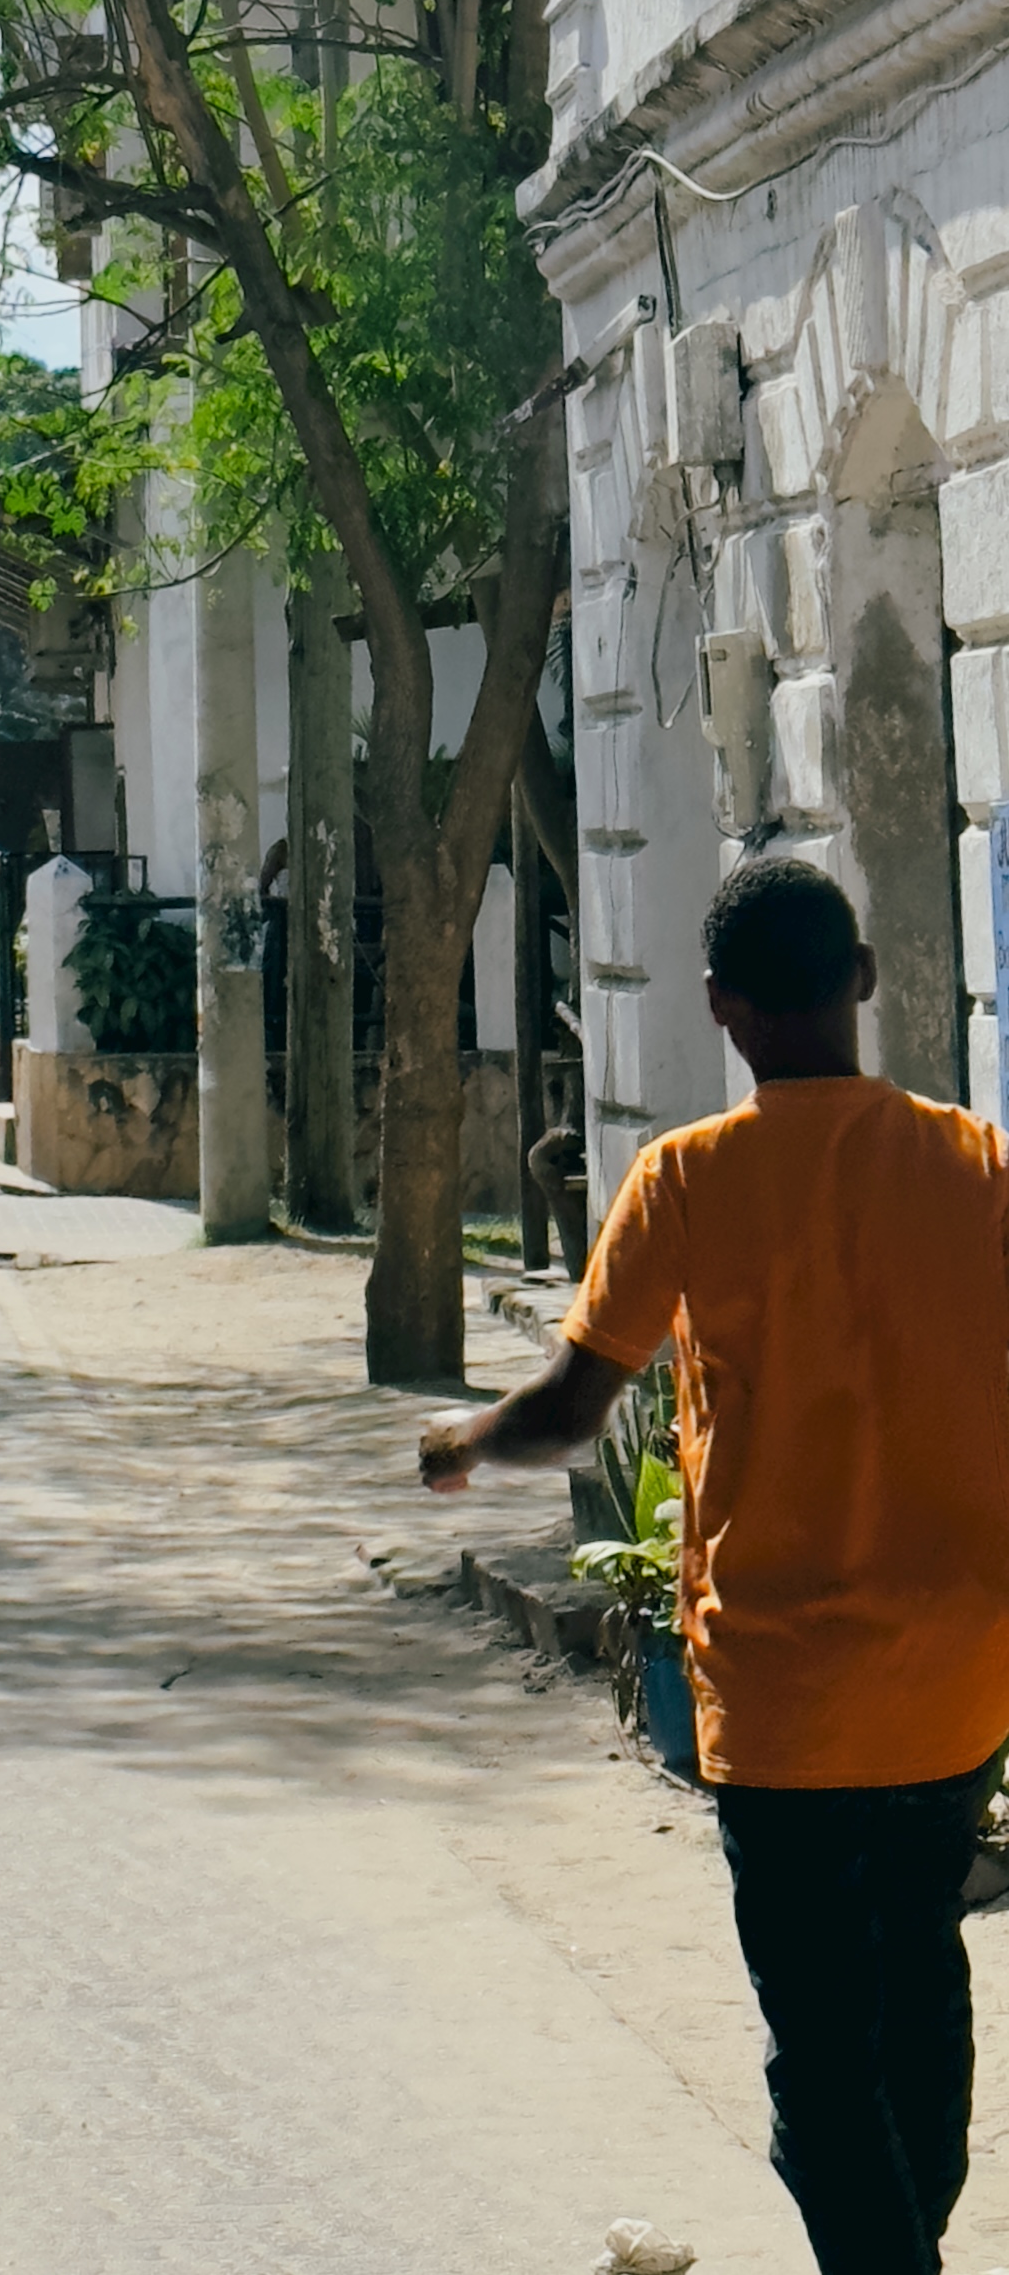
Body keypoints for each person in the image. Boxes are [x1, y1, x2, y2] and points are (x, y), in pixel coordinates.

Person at [417, 854, 1009, 2275]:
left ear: (718, 1008)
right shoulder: (977, 1165)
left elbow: (571, 1410)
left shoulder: (681, 1179)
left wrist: (459, 1437)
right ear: (860, 978)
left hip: (784, 1692)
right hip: (956, 1677)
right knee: (919, 1974)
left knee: (816, 2047)